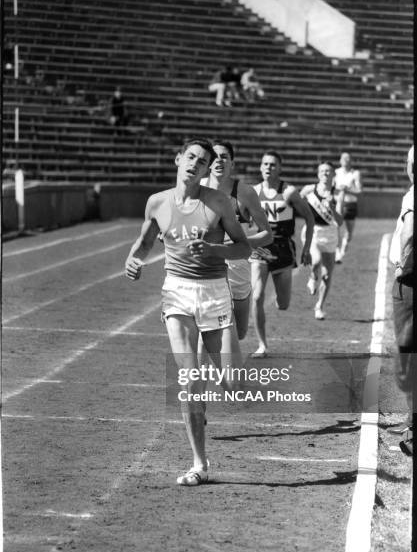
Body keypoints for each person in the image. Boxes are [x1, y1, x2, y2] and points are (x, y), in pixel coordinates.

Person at [125, 138, 250, 486]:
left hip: (214, 294)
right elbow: (145, 243)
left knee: (233, 385)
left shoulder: (219, 203)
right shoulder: (158, 202)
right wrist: (132, 261)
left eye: (203, 160)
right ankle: (199, 463)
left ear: (208, 169)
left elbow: (242, 248)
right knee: (189, 379)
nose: (195, 163)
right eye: (191, 156)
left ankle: (208, 386)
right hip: (177, 293)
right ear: (178, 159)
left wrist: (213, 249)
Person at [201, 140, 272, 348]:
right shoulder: (197, 188)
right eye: (214, 157)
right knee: (205, 328)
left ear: (232, 162)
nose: (219, 161)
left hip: (237, 266)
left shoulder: (245, 192)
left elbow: (267, 234)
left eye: (224, 157)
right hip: (205, 265)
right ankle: (203, 374)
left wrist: (238, 244)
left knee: (239, 333)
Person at [250, 151, 314, 357]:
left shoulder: (289, 193)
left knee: (283, 304)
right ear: (260, 167)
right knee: (257, 296)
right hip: (261, 250)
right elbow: (237, 217)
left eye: (273, 164)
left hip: (283, 251)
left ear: (280, 168)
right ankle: (262, 345)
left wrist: (306, 248)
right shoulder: (252, 192)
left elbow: (310, 218)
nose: (268, 167)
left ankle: (280, 297)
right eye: (265, 164)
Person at [389, 145, 414, 456]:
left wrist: (402, 267)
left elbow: (409, 234)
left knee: (408, 357)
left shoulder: (412, 195)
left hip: (410, 283)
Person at [300, 161, 345, 320]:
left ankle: (319, 306)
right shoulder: (308, 190)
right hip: (313, 232)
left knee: (327, 275)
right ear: (318, 174)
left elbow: (339, 221)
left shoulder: (338, 193)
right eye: (322, 171)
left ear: (333, 174)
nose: (325, 173)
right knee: (316, 261)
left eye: (329, 171)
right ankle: (312, 276)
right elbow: (295, 204)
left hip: (331, 234)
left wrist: (332, 205)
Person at [334, 152, 362, 263]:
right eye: (343, 158)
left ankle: (344, 247)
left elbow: (359, 191)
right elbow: (330, 189)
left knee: (349, 233)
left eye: (348, 158)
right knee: (335, 229)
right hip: (337, 203)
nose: (346, 160)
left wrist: (347, 189)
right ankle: (337, 253)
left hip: (350, 204)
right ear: (340, 160)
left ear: (351, 160)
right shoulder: (335, 172)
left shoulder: (355, 173)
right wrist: (339, 189)